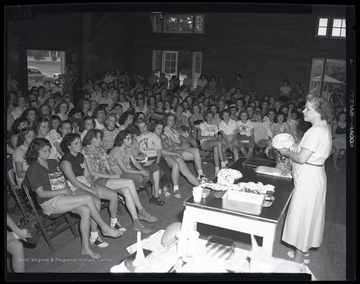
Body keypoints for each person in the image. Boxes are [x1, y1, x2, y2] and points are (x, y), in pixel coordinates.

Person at [25, 138, 123, 259]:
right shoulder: (33, 170)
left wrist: (67, 190)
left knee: (86, 211)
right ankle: (104, 227)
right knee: (88, 198)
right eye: (44, 151)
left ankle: (85, 248)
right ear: (36, 152)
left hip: (64, 196)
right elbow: (41, 194)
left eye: (48, 150)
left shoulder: (53, 162)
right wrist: (63, 191)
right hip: (50, 202)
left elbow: (61, 181)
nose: (48, 153)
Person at [278, 94, 333, 264]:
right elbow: (307, 150)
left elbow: (301, 158)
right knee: (310, 215)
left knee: (304, 215)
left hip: (309, 179)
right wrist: (294, 145)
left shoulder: (316, 131)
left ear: (317, 111)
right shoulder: (322, 127)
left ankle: (299, 258)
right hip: (314, 176)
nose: (303, 110)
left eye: (307, 108)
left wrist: (286, 152)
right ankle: (305, 251)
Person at [82, 129, 157, 233]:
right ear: (91, 139)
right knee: (129, 182)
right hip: (96, 180)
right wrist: (112, 177)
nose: (100, 140)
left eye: (100, 137)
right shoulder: (85, 151)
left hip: (107, 177)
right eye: (98, 138)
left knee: (126, 190)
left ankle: (136, 222)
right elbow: (91, 173)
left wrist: (112, 174)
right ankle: (141, 210)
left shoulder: (101, 149)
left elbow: (108, 168)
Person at [59, 133, 124, 248]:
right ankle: (95, 236)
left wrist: (92, 184)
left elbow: (88, 175)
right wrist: (89, 189)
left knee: (113, 195)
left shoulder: (81, 156)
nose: (79, 145)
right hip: (74, 187)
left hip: (85, 182)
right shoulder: (65, 161)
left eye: (79, 142)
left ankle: (113, 222)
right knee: (96, 201)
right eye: (75, 143)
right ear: (69, 146)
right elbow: (74, 182)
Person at [108, 129, 165, 206]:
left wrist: (142, 170)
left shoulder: (128, 148)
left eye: (130, 138)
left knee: (149, 171)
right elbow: (124, 170)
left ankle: (153, 195)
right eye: (127, 139)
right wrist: (140, 172)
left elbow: (134, 162)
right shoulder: (116, 151)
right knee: (140, 177)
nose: (130, 140)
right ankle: (126, 193)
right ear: (121, 140)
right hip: (119, 174)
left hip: (129, 170)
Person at [149, 122, 201, 198]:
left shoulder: (163, 135)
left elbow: (172, 146)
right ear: (153, 128)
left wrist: (173, 150)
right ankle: (176, 189)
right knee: (175, 164)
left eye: (161, 128)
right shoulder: (151, 138)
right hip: (163, 156)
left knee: (186, 171)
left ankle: (201, 187)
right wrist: (171, 151)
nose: (160, 130)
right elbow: (161, 151)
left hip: (172, 152)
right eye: (158, 128)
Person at [163, 113, 207, 181]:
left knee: (196, 151)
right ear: (166, 121)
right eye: (169, 120)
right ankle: (200, 175)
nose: (172, 122)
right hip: (174, 151)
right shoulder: (165, 131)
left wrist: (184, 143)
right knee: (196, 155)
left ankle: (200, 175)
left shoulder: (174, 130)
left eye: (173, 120)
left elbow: (179, 140)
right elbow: (173, 144)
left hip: (180, 148)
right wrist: (183, 144)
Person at [198, 110, 226, 176]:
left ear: (213, 117)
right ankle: (223, 163)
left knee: (216, 148)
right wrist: (209, 137)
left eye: (211, 116)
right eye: (208, 116)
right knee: (219, 143)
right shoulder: (202, 125)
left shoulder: (215, 126)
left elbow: (216, 138)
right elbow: (198, 137)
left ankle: (217, 170)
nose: (210, 118)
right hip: (204, 143)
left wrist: (213, 138)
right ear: (205, 117)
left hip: (212, 143)